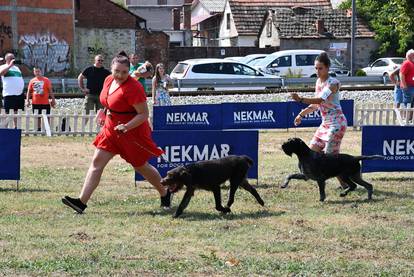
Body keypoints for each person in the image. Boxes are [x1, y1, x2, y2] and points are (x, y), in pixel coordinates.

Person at [62, 53, 172, 214]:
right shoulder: (108, 80)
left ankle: (164, 192)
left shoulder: (134, 88)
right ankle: (81, 202)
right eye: (116, 71)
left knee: (141, 167)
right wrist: (104, 112)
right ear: (111, 69)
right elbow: (109, 102)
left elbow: (143, 114)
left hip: (132, 133)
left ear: (129, 71)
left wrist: (126, 126)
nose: (120, 75)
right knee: (97, 162)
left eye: (124, 72)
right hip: (111, 129)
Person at [290, 52, 348, 188]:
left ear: (328, 68)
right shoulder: (318, 82)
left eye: (320, 68)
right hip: (325, 124)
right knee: (311, 152)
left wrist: (300, 99)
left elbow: (320, 99)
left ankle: (345, 184)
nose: (317, 71)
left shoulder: (333, 83)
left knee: (330, 158)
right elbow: (317, 105)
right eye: (316, 68)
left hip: (337, 123)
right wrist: (301, 115)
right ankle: (313, 177)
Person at [400, 49, 414, 121]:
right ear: (409, 55)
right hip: (408, 87)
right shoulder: (407, 63)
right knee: (407, 103)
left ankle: (410, 119)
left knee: (411, 104)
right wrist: (404, 85)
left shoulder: (412, 63)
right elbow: (402, 74)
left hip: (412, 86)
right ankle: (406, 119)